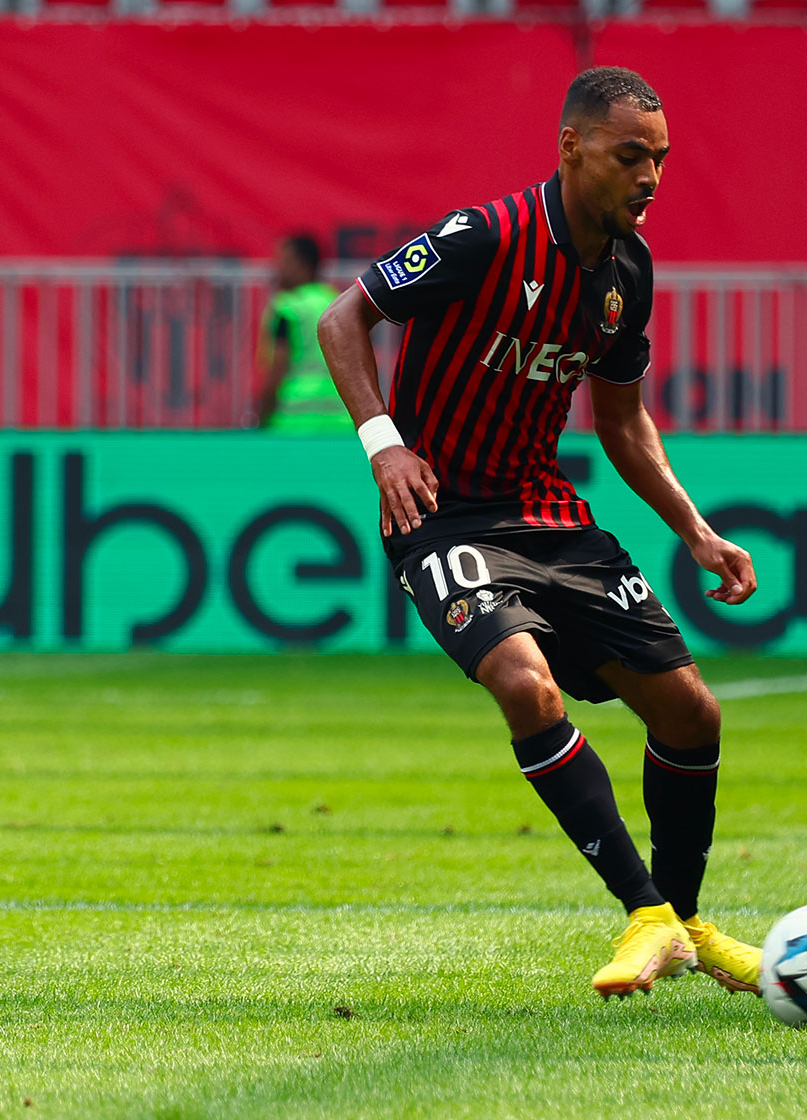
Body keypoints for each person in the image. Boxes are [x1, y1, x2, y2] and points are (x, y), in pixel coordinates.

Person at [317, 67, 762, 1000]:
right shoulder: (485, 235)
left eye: (660, 158)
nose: (650, 176)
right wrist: (384, 445)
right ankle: (643, 910)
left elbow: (623, 423)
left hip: (549, 512)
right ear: (572, 147)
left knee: (692, 713)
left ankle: (680, 925)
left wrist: (696, 532)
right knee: (527, 686)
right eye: (629, 155)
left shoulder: (629, 271)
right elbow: (343, 317)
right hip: (443, 514)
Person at [256, 234, 352, 432]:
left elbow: (278, 368)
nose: (277, 269)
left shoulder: (288, 307)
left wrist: (262, 415)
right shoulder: (338, 302)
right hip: (341, 421)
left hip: (295, 421)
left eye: (283, 262)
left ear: (301, 264)